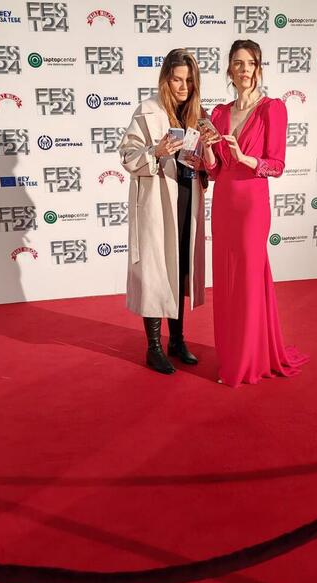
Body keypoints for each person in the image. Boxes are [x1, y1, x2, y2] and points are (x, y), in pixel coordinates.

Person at [200, 39, 308, 387]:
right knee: (226, 280)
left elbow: (276, 165)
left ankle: (248, 361)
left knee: (247, 279)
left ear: (258, 68)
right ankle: (232, 354)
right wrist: (207, 150)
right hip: (224, 201)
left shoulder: (271, 109)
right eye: (238, 63)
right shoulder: (219, 113)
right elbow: (214, 170)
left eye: (250, 63)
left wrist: (245, 158)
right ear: (229, 69)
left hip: (251, 204)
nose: (244, 69)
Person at [119, 49, 206, 375]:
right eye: (177, 80)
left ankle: (177, 340)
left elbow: (206, 164)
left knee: (179, 268)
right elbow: (127, 156)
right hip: (156, 202)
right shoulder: (147, 111)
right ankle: (153, 347)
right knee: (156, 271)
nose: (183, 87)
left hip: (186, 198)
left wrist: (203, 161)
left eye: (189, 81)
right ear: (165, 80)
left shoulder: (198, 115)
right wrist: (155, 151)